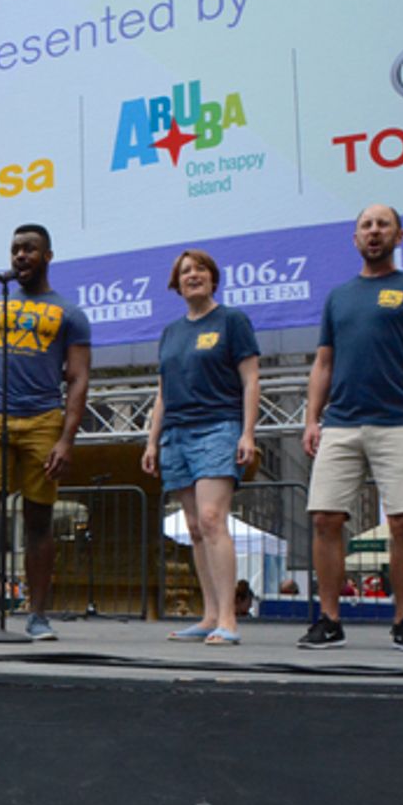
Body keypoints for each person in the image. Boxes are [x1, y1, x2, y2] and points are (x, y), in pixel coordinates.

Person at [300, 204, 403, 651]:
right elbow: (323, 362)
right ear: (355, 239)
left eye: (382, 225)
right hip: (341, 425)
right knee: (326, 518)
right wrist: (312, 419)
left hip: (400, 423)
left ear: (399, 235)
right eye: (366, 226)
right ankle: (329, 620)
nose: (374, 231)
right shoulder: (339, 296)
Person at [0, 224, 91, 641]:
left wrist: (66, 438)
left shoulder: (69, 313)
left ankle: (38, 615)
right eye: (15, 250)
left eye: (29, 249)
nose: (20, 256)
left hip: (44, 419)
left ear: (47, 256)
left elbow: (79, 379)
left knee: (39, 519)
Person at [141, 249, 260, 646]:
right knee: (193, 529)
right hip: (176, 433)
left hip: (218, 428)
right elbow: (162, 392)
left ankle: (229, 618)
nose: (193, 275)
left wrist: (247, 433)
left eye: (201, 269)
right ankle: (209, 615)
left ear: (213, 277)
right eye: (185, 271)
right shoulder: (171, 333)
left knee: (212, 518)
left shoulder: (232, 321)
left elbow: (250, 380)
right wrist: (152, 441)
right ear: (176, 284)